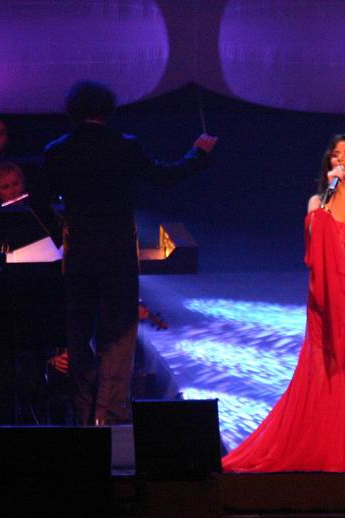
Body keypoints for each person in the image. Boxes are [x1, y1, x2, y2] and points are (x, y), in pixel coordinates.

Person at [222, 133, 345, 472]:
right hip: (328, 296)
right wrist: (329, 196)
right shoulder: (317, 202)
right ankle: (326, 447)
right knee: (327, 367)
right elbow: (313, 238)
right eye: (336, 155)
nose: (341, 160)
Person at [41, 80, 216, 426]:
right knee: (118, 340)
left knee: (78, 338)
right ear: (109, 110)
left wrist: (61, 234)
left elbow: (37, 200)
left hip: (79, 259)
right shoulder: (124, 146)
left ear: (72, 110)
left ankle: (83, 417)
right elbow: (166, 176)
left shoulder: (58, 150)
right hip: (118, 259)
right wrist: (198, 154)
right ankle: (110, 419)